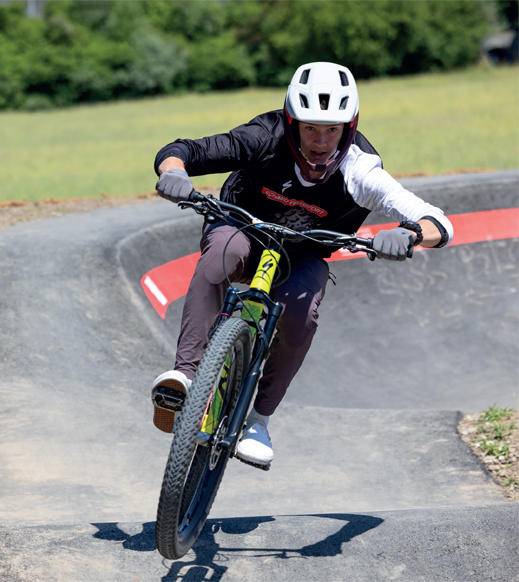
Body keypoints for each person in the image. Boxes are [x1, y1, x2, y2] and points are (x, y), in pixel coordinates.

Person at [150, 62, 454, 466]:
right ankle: (185, 377)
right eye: (310, 128)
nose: (321, 142)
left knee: (301, 311)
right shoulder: (263, 136)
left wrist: (409, 234)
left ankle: (259, 419)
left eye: (333, 130)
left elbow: (439, 222)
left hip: (305, 252)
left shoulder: (360, 168)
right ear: (292, 122)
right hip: (241, 228)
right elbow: (184, 150)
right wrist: (173, 174)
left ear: (349, 127)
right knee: (222, 255)